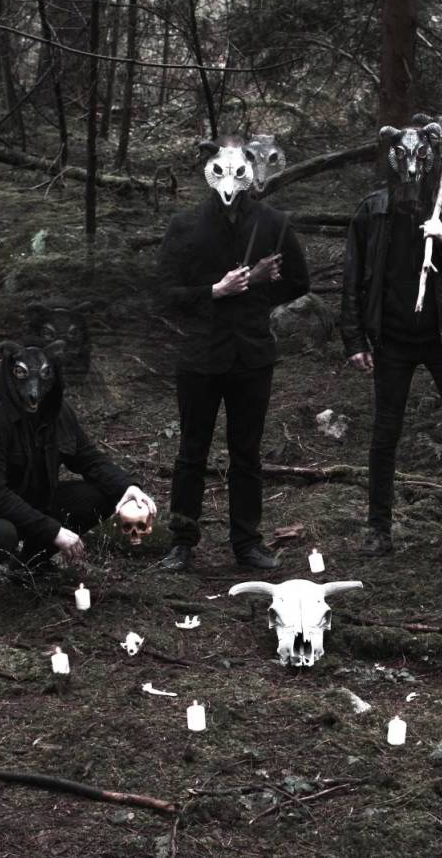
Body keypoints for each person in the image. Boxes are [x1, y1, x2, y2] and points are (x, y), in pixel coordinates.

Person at [340, 121, 442, 556]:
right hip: (391, 339)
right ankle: (379, 528)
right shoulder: (373, 210)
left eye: (420, 155)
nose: (412, 163)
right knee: (385, 434)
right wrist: (355, 339)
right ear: (392, 157)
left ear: (431, 157)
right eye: (403, 155)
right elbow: (352, 278)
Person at [156, 136, 310, 573]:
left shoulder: (273, 222)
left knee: (246, 453)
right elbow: (165, 293)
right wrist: (215, 291)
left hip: (251, 355)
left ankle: (247, 542)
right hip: (199, 355)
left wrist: (259, 288)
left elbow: (299, 281)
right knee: (192, 451)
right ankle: (182, 540)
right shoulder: (185, 226)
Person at [0, 340, 156, 618]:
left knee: (104, 493)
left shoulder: (59, 414)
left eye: (43, 376)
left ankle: (32, 562)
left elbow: (89, 460)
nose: (33, 391)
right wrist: (53, 530)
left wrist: (129, 487)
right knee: (0, 533)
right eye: (23, 376)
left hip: (27, 501)